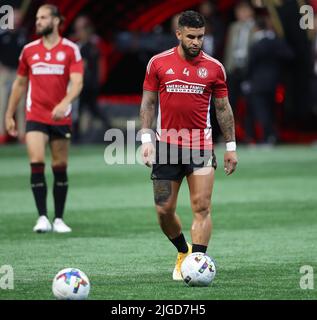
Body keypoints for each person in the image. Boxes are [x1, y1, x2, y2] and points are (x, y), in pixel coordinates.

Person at [140, 10, 238, 281]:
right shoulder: (158, 63)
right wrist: (146, 140)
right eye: (192, 37)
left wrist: (230, 146)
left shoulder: (215, 68)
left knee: (201, 207)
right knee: (163, 209)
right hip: (166, 147)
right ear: (179, 34)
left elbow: (223, 109)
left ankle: (198, 261)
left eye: (201, 37)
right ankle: (183, 251)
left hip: (201, 147)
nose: (197, 42)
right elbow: (148, 104)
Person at [5, 4, 83, 233]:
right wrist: (9, 114)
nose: (38, 21)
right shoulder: (29, 50)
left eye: (43, 17)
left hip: (61, 117)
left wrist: (64, 103)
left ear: (56, 21)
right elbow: (19, 83)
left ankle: (58, 218)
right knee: (36, 162)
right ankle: (42, 217)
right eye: (37, 18)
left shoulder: (70, 50)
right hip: (36, 115)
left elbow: (77, 82)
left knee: (59, 166)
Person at [0, 8, 27, 143]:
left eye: (18, 18)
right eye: (14, 18)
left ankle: (22, 135)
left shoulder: (23, 35)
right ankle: (1, 135)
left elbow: (27, 55)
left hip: (19, 74)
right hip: (4, 73)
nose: (16, 21)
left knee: (21, 105)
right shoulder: (2, 35)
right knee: (2, 104)